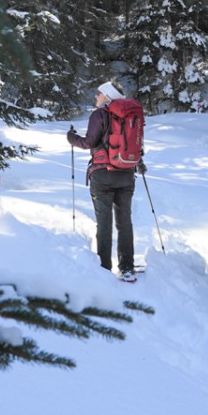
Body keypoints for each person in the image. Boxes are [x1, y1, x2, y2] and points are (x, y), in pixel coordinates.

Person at [67, 79, 138, 280]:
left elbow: (89, 142)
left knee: (104, 223)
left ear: (107, 95)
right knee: (125, 222)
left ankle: (104, 268)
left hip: (102, 174)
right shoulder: (131, 115)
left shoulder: (100, 114)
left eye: (98, 93)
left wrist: (72, 138)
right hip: (126, 174)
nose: (96, 97)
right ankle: (126, 267)